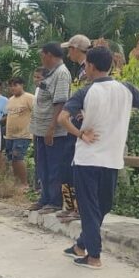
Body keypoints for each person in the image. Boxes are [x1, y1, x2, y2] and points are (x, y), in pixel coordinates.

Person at [58, 46, 139, 270]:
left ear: (90, 66)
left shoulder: (85, 92)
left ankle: (91, 254)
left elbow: (63, 118)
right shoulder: (126, 89)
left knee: (92, 209)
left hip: (87, 159)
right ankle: (86, 249)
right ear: (110, 65)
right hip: (111, 159)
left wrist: (80, 133)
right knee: (101, 206)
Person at [28, 43, 74, 213]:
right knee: (42, 165)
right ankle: (44, 198)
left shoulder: (61, 73)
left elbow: (61, 102)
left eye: (42, 55)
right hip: (40, 128)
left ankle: (54, 201)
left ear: (49, 55)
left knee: (54, 166)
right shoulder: (50, 73)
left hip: (52, 130)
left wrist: (52, 128)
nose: (42, 59)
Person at [56, 33, 92, 222]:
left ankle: (76, 207)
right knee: (67, 163)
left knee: (73, 164)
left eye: (69, 49)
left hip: (81, 124)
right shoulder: (80, 70)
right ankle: (70, 206)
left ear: (76, 50)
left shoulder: (87, 70)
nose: (68, 53)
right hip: (75, 121)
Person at [3, 77, 35, 187]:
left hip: (23, 134)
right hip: (10, 135)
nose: (13, 88)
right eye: (11, 85)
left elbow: (36, 113)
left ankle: (24, 184)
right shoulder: (10, 100)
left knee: (18, 157)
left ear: (22, 85)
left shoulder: (29, 98)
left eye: (15, 85)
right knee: (12, 159)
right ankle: (17, 183)